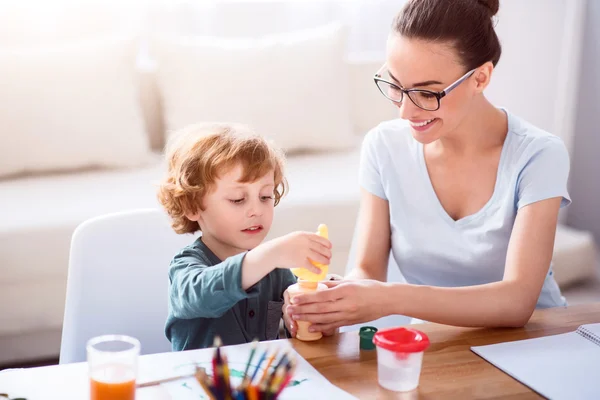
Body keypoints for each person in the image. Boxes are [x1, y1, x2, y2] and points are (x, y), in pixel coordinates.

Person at [284, 0, 571, 336]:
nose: (405, 112)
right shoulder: (384, 147)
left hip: (537, 339)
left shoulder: (538, 155)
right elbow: (367, 270)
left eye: (425, 92)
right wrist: (337, 301)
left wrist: (390, 298)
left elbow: (517, 302)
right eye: (395, 86)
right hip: (441, 342)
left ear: (480, 77)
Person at [157, 122, 332, 350]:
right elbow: (202, 295)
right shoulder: (186, 266)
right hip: (200, 382)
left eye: (265, 196)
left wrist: (307, 313)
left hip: (259, 381)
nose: (256, 210)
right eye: (238, 199)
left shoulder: (275, 269)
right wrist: (270, 255)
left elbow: (292, 326)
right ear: (192, 206)